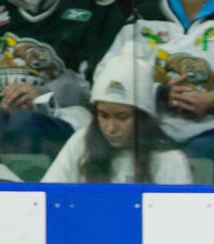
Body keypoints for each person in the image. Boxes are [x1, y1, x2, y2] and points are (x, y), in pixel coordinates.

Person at [100, 0, 214, 182]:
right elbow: (108, 75)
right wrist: (159, 94)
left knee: (191, 161)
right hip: (154, 129)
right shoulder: (146, 13)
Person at [0, 0, 126, 157]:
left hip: (64, 110)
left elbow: (95, 82)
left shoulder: (92, 9)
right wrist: (3, 96)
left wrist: (44, 93)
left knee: (24, 123)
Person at [42, 51, 192, 183]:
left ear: (143, 117)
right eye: (104, 116)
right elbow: (49, 195)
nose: (111, 128)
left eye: (122, 117)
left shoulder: (169, 160)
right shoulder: (81, 143)